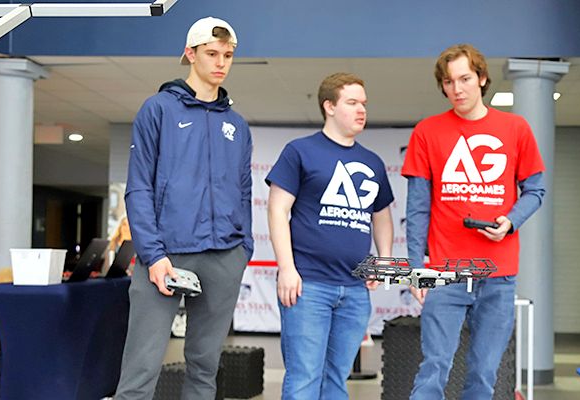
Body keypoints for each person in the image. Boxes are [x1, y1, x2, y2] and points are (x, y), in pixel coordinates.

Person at [115, 16, 253, 400]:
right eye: (211, 54)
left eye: (227, 55)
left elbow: (244, 191)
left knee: (204, 367)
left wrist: (243, 250)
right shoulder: (158, 109)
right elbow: (138, 187)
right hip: (166, 256)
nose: (220, 63)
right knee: (141, 369)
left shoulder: (238, 125)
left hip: (224, 255)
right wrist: (153, 255)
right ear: (190, 55)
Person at [402, 44, 546, 400]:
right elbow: (418, 208)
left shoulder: (515, 128)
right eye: (449, 82)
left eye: (465, 79)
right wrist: (416, 267)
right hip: (445, 272)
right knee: (434, 366)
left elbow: (536, 191)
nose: (457, 89)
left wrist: (510, 222)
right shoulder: (426, 132)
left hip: (498, 275)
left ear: (482, 79)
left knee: (484, 373)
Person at [266, 72, 394, 400]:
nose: (361, 110)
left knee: (336, 380)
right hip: (307, 286)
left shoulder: (373, 162)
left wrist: (383, 259)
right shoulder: (300, 151)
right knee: (305, 378)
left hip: (354, 290)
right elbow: (278, 210)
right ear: (329, 107)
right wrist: (287, 268)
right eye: (352, 103)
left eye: (363, 103)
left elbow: (381, 216)